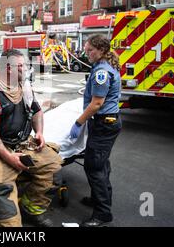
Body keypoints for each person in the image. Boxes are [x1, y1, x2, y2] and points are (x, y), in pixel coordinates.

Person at [0, 49, 63, 227]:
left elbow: (36, 110)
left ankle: (32, 209)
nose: (26, 70)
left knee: (53, 167)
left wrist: (39, 132)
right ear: (8, 69)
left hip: (23, 144)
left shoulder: (25, 87)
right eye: (21, 67)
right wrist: (10, 159)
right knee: (1, 186)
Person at [68, 35, 122, 227]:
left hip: (103, 123)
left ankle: (102, 213)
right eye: (87, 49)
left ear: (100, 50)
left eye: (90, 50)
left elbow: (97, 103)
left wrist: (78, 122)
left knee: (94, 166)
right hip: (107, 123)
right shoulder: (104, 66)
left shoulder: (102, 72)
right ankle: (99, 198)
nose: (87, 53)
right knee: (101, 164)